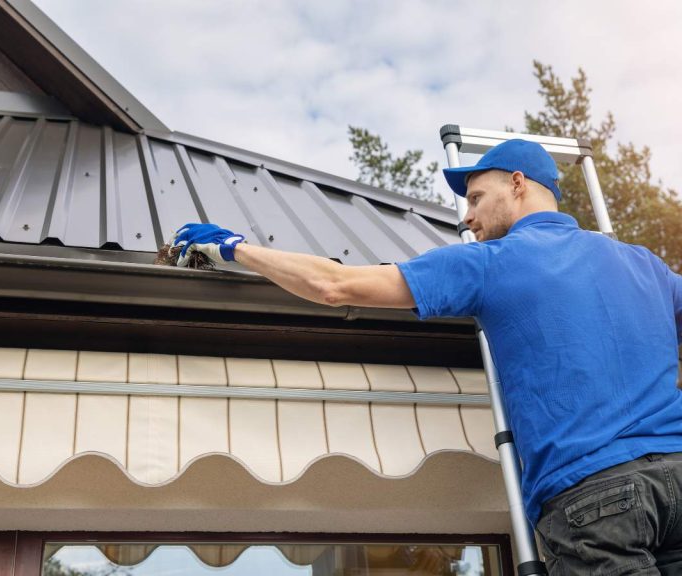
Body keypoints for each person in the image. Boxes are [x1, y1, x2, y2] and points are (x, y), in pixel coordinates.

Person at [171, 139, 682, 575]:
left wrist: (232, 248)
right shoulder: (644, 264)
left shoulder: (492, 263)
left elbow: (335, 284)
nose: (468, 216)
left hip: (595, 500)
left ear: (519, 184)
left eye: (478, 197)